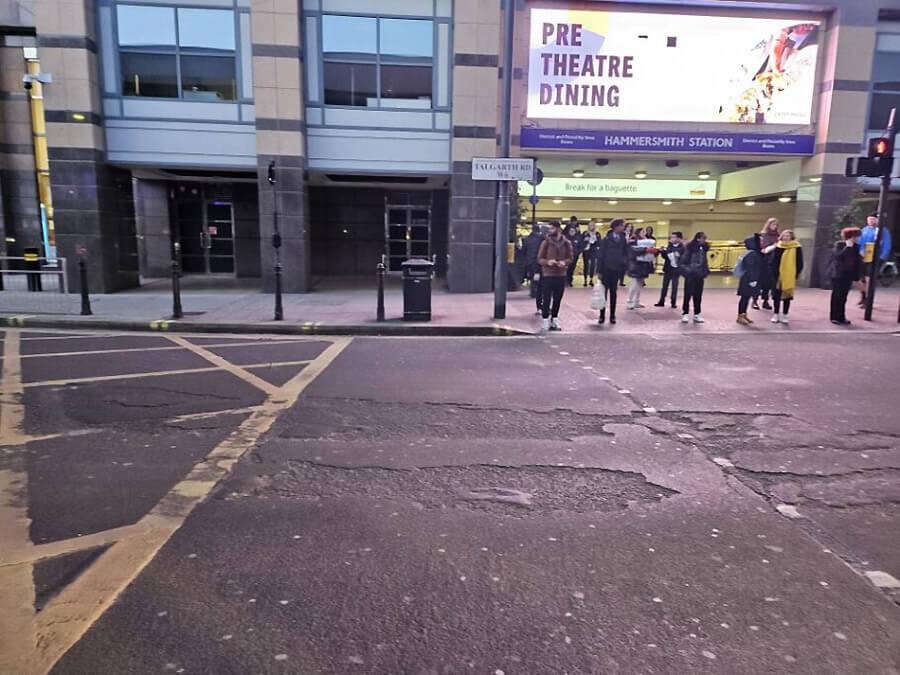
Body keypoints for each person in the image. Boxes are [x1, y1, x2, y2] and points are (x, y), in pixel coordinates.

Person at [537, 220, 573, 332]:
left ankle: (554, 318)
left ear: (558, 229)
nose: (550, 230)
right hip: (548, 274)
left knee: (558, 298)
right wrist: (548, 262)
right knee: (546, 298)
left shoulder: (567, 243)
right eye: (550, 228)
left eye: (552, 228)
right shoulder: (545, 243)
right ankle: (545, 320)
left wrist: (565, 262)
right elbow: (539, 258)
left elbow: (570, 257)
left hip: (561, 274)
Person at [765, 229, 803, 324]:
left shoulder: (796, 247)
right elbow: (772, 261)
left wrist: (796, 273)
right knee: (776, 296)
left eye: (788, 236)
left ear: (791, 237)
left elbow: (799, 262)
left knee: (787, 296)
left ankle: (785, 315)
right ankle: (776, 314)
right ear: (781, 236)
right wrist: (773, 273)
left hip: (789, 275)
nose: (786, 237)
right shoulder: (778, 247)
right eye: (784, 235)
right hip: (777, 276)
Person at [596, 219, 630, 325]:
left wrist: (624, 264)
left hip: (617, 269)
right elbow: (601, 255)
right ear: (616, 227)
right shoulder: (606, 239)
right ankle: (602, 315)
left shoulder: (623, 239)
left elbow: (626, 253)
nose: (623, 228)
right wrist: (599, 271)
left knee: (614, 293)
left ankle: (612, 315)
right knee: (604, 293)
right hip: (606, 269)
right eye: (622, 226)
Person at [858, 212, 893, 308]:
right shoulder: (864, 230)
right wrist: (860, 251)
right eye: (869, 219)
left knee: (869, 279)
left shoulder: (882, 231)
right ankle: (863, 296)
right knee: (861, 279)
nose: (870, 221)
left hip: (874, 258)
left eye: (873, 219)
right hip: (862, 257)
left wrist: (882, 257)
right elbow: (859, 242)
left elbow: (887, 244)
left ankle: (868, 300)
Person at [830, 227, 863, 326]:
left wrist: (857, 277)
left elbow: (856, 262)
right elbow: (837, 257)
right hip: (839, 275)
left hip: (848, 275)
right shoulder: (839, 245)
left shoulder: (856, 246)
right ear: (851, 236)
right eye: (857, 236)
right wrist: (847, 247)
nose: (858, 238)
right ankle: (834, 316)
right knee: (837, 296)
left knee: (844, 297)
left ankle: (841, 316)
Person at [680, 232, 710, 323]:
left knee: (698, 295)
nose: (704, 241)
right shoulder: (690, 249)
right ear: (698, 238)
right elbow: (683, 262)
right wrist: (689, 270)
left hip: (699, 274)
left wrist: (705, 271)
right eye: (703, 238)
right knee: (688, 295)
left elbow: (704, 262)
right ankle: (685, 313)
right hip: (691, 275)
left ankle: (697, 313)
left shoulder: (703, 249)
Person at [735, 233, 764, 325]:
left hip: (749, 280)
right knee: (744, 298)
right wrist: (753, 280)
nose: (762, 242)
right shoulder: (752, 254)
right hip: (748, 280)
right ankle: (740, 315)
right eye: (760, 240)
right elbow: (750, 267)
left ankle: (743, 314)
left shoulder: (752, 253)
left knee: (746, 298)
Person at [626, 227, 656, 310]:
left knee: (640, 283)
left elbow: (652, 252)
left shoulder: (648, 241)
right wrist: (646, 249)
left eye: (644, 232)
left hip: (644, 264)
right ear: (638, 233)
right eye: (642, 232)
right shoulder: (633, 240)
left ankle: (636, 301)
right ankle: (629, 301)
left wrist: (655, 251)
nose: (644, 233)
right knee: (635, 283)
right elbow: (632, 251)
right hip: (636, 264)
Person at [655, 231, 684, 308]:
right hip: (668, 268)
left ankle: (673, 302)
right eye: (671, 237)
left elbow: (681, 257)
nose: (672, 239)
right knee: (664, 286)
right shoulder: (670, 246)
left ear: (678, 238)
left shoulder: (682, 247)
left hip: (676, 269)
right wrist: (662, 252)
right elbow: (666, 256)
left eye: (674, 237)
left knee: (674, 286)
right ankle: (661, 301)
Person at [756, 217, 780, 310]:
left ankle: (765, 300)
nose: (774, 226)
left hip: (773, 261)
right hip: (764, 260)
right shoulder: (763, 234)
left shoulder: (778, 235)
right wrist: (773, 246)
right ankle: (755, 300)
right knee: (760, 281)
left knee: (770, 283)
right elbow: (762, 248)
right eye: (773, 224)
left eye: (776, 225)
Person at [521, 223, 544, 314]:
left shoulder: (527, 239)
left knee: (532, 277)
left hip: (529, 262)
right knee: (539, 280)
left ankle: (533, 292)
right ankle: (536, 292)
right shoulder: (541, 239)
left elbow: (523, 251)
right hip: (538, 262)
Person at [580, 221, 601, 287]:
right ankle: (585, 280)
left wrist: (597, 243)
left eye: (593, 225)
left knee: (592, 265)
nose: (592, 227)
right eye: (590, 225)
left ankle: (591, 279)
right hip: (586, 250)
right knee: (586, 265)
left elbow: (600, 242)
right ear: (588, 226)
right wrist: (585, 241)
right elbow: (581, 241)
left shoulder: (597, 234)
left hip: (594, 250)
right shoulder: (585, 233)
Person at [564, 219, 582, 287]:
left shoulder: (578, 238)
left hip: (574, 256)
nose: (572, 232)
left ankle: (570, 280)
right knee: (566, 269)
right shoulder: (565, 238)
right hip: (566, 257)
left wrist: (578, 252)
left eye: (573, 231)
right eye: (570, 231)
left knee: (572, 269)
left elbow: (580, 246)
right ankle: (566, 281)